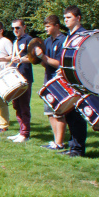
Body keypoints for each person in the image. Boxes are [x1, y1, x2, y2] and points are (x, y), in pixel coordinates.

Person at [61, 6, 88, 158]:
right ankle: (73, 145)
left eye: (69, 17)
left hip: (78, 80)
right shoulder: (69, 35)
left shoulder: (82, 35)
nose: (66, 20)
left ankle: (78, 148)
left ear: (78, 18)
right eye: (65, 18)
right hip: (68, 79)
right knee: (69, 114)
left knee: (77, 115)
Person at [37, 15, 67, 150]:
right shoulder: (47, 41)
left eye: (48, 26)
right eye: (45, 26)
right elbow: (46, 64)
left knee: (58, 113)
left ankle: (60, 143)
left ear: (56, 26)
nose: (46, 28)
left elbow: (59, 64)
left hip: (59, 81)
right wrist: (39, 58)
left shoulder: (64, 40)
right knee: (49, 112)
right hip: (48, 79)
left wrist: (43, 57)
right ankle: (56, 141)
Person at [3, 19, 34, 143]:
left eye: (18, 28)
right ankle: (21, 131)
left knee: (24, 105)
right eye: (13, 28)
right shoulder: (16, 41)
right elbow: (15, 58)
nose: (15, 30)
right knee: (16, 105)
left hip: (25, 77)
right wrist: (7, 63)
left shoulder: (29, 40)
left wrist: (21, 60)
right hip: (15, 77)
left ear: (24, 27)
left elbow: (34, 57)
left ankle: (25, 133)